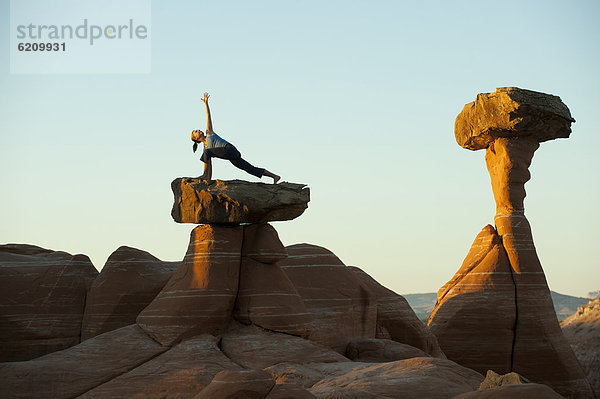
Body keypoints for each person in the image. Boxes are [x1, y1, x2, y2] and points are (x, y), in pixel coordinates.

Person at [191, 92, 281, 184]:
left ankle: (206, 176)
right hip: (231, 156)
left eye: (197, 130)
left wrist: (206, 104)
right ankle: (275, 176)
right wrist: (206, 173)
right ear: (196, 139)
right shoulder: (205, 149)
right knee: (250, 169)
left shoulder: (209, 133)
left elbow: (208, 116)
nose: (198, 130)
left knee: (207, 153)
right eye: (196, 132)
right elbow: (207, 163)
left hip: (229, 149)